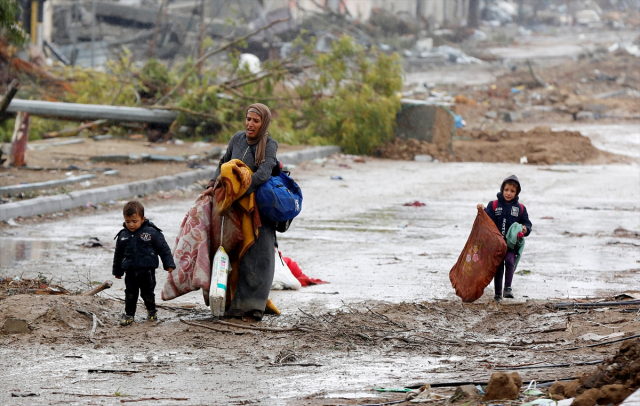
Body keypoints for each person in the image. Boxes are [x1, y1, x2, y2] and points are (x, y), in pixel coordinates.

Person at [204, 103, 278, 321]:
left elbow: (264, 173)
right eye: (248, 119)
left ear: (263, 123)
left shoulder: (270, 144)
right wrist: (213, 183)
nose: (250, 124)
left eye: (255, 121)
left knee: (258, 256)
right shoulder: (237, 139)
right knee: (235, 254)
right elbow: (223, 163)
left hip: (259, 209)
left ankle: (255, 307)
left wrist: (240, 189)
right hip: (235, 207)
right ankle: (234, 304)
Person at [113, 201, 175, 326]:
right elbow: (118, 254)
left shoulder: (152, 233)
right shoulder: (123, 235)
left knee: (147, 293)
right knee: (130, 293)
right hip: (130, 270)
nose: (131, 224)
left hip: (147, 271)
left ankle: (151, 311)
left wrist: (169, 264)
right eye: (127, 221)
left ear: (142, 219)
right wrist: (118, 271)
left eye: (134, 221)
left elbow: (163, 249)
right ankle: (129, 315)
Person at [477, 175, 532, 303]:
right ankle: (497, 295)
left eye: (512, 191)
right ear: (502, 189)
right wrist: (482, 210)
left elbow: (527, 223)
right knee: (499, 268)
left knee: (510, 261)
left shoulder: (520, 209)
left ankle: (507, 288)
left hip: (511, 245)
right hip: (496, 245)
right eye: (506, 190)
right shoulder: (494, 205)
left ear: (517, 193)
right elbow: (487, 220)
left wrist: (525, 229)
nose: (508, 193)